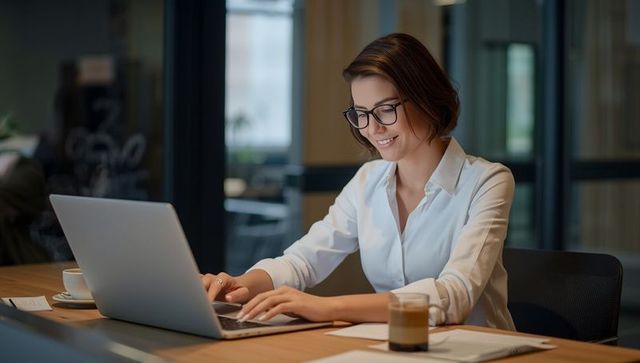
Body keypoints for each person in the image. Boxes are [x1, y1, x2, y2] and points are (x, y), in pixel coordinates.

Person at [202, 33, 515, 330]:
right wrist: (241, 284)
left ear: (427, 100)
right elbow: (303, 261)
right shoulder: (368, 180)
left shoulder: (487, 181)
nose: (372, 128)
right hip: (395, 350)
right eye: (362, 113)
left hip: (480, 351)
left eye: (386, 109)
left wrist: (329, 308)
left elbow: (455, 295)